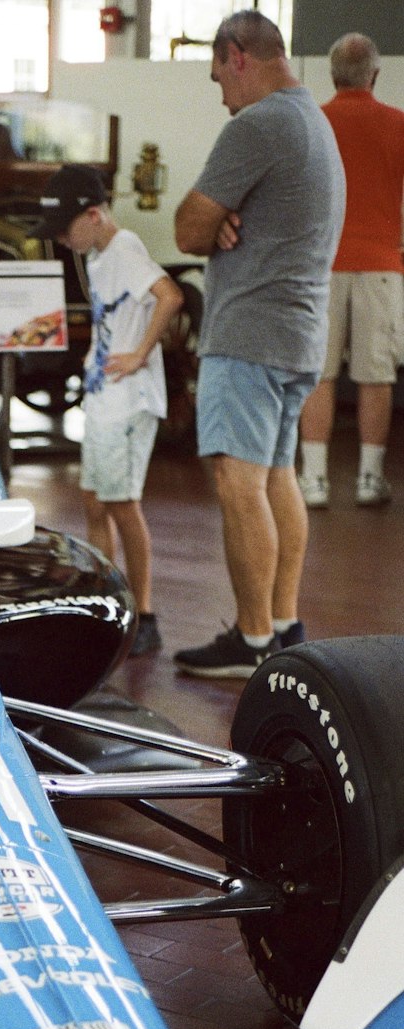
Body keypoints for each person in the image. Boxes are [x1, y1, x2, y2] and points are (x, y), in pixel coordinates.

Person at [172, 10, 345, 678]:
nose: (222, 94)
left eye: (220, 75)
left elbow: (188, 227)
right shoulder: (311, 122)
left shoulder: (261, 123)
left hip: (249, 332)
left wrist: (211, 222)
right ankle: (281, 624)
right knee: (276, 476)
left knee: (237, 478)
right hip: (296, 332)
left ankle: (249, 642)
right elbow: (216, 224)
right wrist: (222, 221)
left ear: (238, 55)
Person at [39, 164, 183, 657]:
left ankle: (144, 614)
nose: (61, 240)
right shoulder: (99, 257)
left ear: (95, 215)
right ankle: (109, 599)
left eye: (65, 228)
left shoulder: (124, 249)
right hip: (106, 395)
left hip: (129, 398)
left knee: (123, 504)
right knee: (96, 502)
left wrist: (140, 352)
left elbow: (171, 295)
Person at [298, 33, 404, 509]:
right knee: (375, 375)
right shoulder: (398, 124)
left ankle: (315, 479)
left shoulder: (312, 122)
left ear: (331, 73)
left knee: (319, 374)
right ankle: (368, 478)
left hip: (321, 264)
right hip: (382, 263)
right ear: (375, 75)